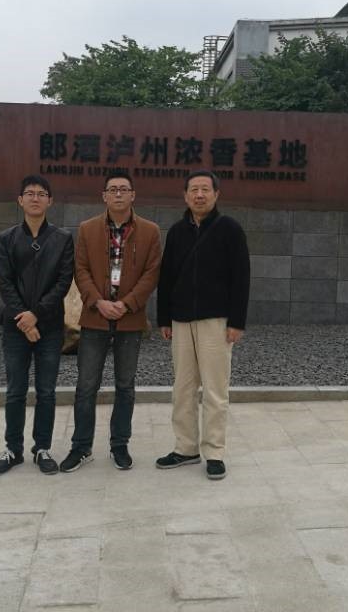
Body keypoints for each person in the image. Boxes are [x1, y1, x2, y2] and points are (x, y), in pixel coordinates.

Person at [60, 173, 162, 473]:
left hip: (130, 319)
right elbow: (80, 269)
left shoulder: (150, 231)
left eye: (123, 189)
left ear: (133, 195)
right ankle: (81, 447)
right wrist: (98, 302)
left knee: (125, 385)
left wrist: (127, 304)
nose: (118, 194)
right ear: (104, 195)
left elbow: (152, 273)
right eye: (113, 189)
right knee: (86, 385)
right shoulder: (88, 229)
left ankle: (120, 446)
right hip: (95, 317)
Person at [156, 170, 250, 481]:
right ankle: (185, 448)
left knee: (215, 390)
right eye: (193, 190)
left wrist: (237, 322)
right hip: (181, 321)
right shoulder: (176, 232)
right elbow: (166, 277)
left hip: (215, 321)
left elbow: (241, 278)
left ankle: (214, 452)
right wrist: (164, 318)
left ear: (216, 194)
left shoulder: (230, 229)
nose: (199, 195)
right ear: (185, 196)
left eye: (205, 189)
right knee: (182, 388)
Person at [0, 175, 74, 476]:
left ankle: (42, 449)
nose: (35, 198)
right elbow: (5, 284)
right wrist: (25, 321)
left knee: (46, 391)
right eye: (29, 193)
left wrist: (36, 315)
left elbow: (63, 282)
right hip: (15, 326)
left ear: (50, 201)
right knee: (15, 390)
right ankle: (13, 449)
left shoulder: (62, 238)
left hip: (49, 326)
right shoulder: (7, 239)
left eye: (41, 194)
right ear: (20, 200)